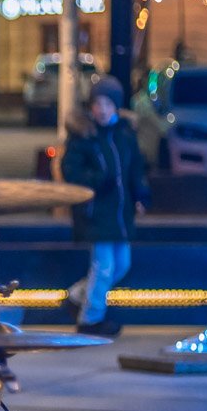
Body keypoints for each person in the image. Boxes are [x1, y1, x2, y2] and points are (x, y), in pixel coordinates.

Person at [61, 75, 150, 337]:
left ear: (116, 106)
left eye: (107, 104)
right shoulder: (83, 136)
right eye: (97, 104)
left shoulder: (124, 133)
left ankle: (76, 296)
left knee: (121, 265)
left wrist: (141, 196)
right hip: (96, 213)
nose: (101, 109)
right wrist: (99, 180)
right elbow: (72, 171)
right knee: (104, 267)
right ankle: (90, 319)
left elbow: (135, 169)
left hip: (121, 213)